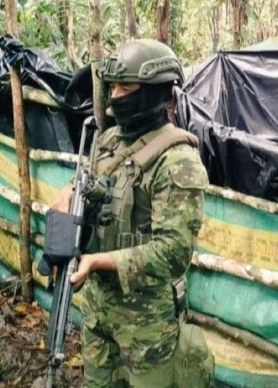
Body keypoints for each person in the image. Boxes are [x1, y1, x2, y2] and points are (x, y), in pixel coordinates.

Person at [51, 39, 214, 387]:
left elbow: (173, 253)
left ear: (155, 93)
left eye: (126, 87)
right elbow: (88, 186)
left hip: (147, 324)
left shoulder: (177, 161)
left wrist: (100, 261)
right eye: (112, 87)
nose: (115, 96)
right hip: (98, 311)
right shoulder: (109, 142)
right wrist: (67, 193)